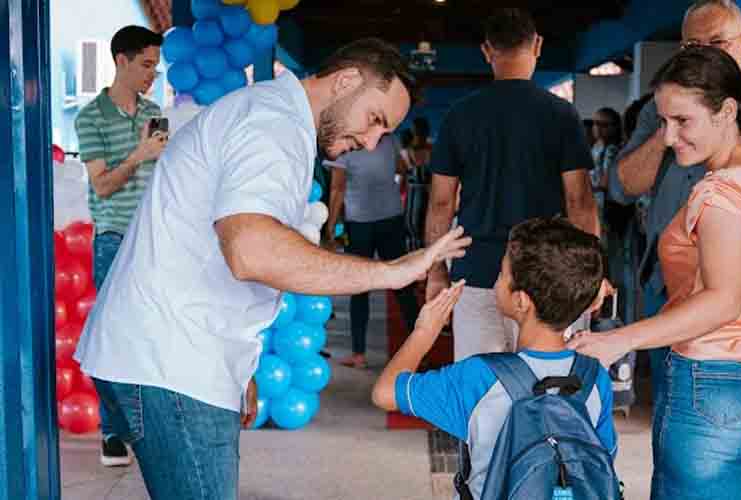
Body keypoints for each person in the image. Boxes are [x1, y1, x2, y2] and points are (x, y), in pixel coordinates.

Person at [74, 38, 470, 500]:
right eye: (375, 120)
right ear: (345, 80)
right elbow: (251, 251)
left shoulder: (279, 121)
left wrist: (241, 367)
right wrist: (392, 271)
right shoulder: (272, 126)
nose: (371, 141)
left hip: (184, 352)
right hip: (173, 359)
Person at [569, 46, 741, 500]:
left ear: (727, 112)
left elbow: (722, 300)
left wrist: (619, 339)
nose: (668, 137)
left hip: (716, 393)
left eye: (683, 121)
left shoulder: (719, 191)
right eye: (663, 122)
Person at [607, 0, 741, 398]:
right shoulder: (657, 113)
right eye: (693, 45)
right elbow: (622, 187)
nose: (706, 54)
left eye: (718, 42)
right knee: (672, 407)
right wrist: (672, 123)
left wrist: (735, 166)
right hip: (666, 282)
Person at [373, 216, 617, 499]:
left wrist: (424, 331)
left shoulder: (479, 377)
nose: (496, 281)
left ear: (521, 301)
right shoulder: (593, 378)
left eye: (502, 274)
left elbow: (384, 392)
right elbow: (603, 459)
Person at [425, 8, 598, 361]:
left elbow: (442, 204)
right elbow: (579, 201)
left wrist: (436, 271)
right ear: (537, 45)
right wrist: (594, 275)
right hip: (550, 274)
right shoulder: (561, 115)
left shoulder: (459, 116)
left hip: (476, 272)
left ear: (487, 51)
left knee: (481, 390)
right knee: (547, 388)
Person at [73, 24, 166, 468]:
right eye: (146, 64)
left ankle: (148, 428)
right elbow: (103, 187)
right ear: (121, 61)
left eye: (156, 65)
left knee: (152, 336)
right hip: (113, 238)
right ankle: (114, 431)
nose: (152, 73)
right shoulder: (89, 117)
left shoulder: (153, 111)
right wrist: (138, 156)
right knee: (110, 339)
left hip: (154, 239)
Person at [323, 133, 420, 368]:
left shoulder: (345, 145)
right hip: (391, 218)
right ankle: (420, 349)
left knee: (360, 287)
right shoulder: (391, 140)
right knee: (403, 285)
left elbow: (337, 189)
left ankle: (359, 355)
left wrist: (329, 228)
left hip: (360, 223)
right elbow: (403, 169)